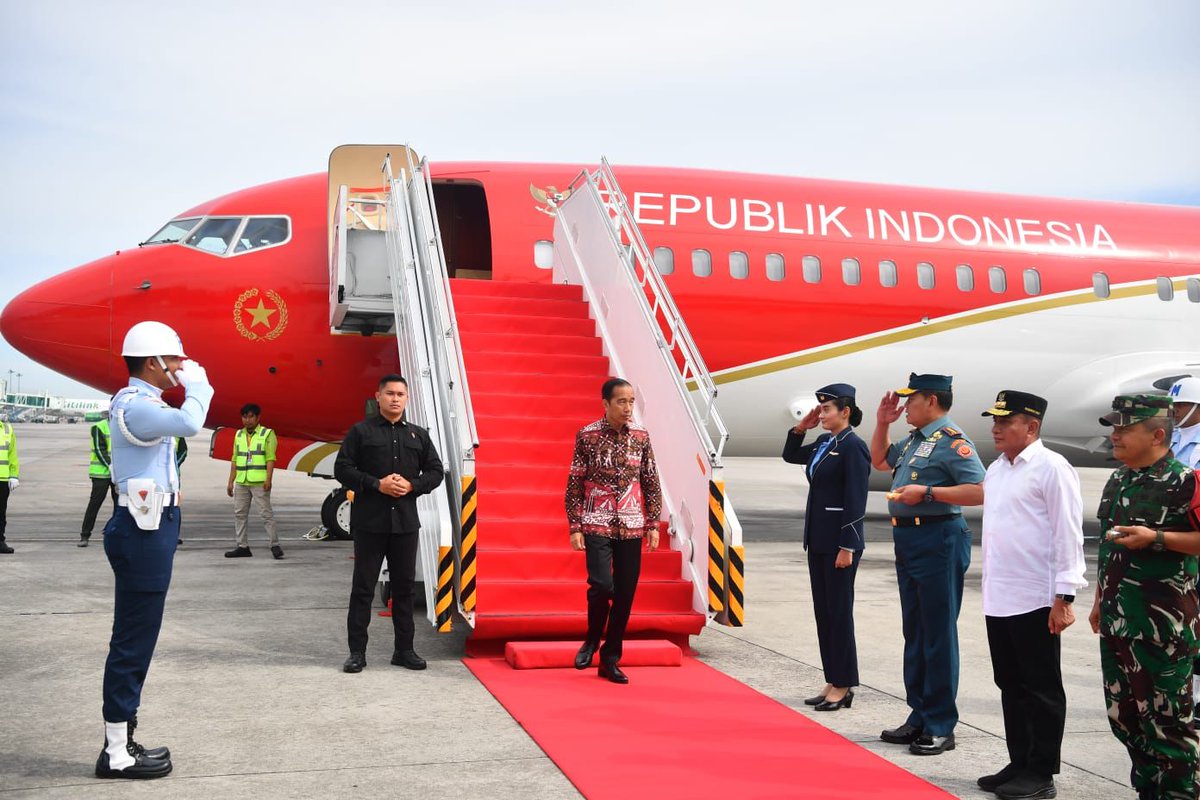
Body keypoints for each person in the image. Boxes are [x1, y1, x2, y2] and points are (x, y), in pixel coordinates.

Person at [96, 321, 212, 780]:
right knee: (132, 641)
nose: (183, 366)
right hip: (143, 531)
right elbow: (191, 422)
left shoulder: (146, 403)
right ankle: (116, 753)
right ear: (153, 363)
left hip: (153, 525)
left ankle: (122, 737)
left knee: (138, 638)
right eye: (177, 359)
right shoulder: (136, 405)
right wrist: (200, 385)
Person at [1088, 394, 1199, 800]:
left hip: (1162, 627)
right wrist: (1101, 600)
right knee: (1126, 719)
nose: (1114, 435)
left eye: (1124, 428)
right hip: (1120, 621)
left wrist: (1157, 538)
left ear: (1156, 434)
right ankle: (1148, 792)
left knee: (1169, 724)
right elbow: (1108, 548)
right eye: (1114, 427)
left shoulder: (1185, 480)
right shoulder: (1120, 478)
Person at [978, 390, 1088, 800]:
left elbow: (1068, 533)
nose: (996, 428)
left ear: (1032, 426)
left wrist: (1065, 596)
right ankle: (1019, 760)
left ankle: (1041, 772)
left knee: (1041, 687)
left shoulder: (1051, 468)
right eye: (995, 421)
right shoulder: (997, 469)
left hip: (1037, 598)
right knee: (1009, 682)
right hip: (1000, 595)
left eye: (1005, 422)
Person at [870, 372, 985, 756]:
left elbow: (979, 490)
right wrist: (882, 423)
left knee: (937, 633)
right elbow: (881, 460)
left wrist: (931, 492)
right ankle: (918, 714)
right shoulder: (917, 440)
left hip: (938, 538)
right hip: (910, 538)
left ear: (931, 401)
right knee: (915, 631)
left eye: (911, 399)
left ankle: (940, 724)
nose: (906, 406)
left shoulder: (953, 442)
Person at [335, 374, 443, 673]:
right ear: (378, 397)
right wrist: (375, 484)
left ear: (407, 399)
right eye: (390, 393)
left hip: (405, 524)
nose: (395, 399)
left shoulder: (418, 435)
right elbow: (342, 468)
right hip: (370, 524)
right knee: (363, 589)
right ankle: (357, 653)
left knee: (404, 589)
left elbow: (435, 471)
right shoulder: (361, 432)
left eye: (400, 394)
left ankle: (404, 650)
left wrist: (413, 486)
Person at [565, 377, 663, 685]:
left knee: (625, 594)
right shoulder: (587, 436)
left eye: (631, 401)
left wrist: (653, 523)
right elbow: (574, 483)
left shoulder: (641, 436)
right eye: (621, 401)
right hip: (597, 520)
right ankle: (592, 639)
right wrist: (575, 526)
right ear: (606, 404)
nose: (628, 407)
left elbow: (650, 480)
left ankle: (610, 657)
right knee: (601, 585)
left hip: (632, 523)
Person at [782, 383, 869, 712]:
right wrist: (799, 429)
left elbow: (855, 499)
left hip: (840, 545)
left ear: (845, 412)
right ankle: (833, 678)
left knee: (839, 613)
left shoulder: (853, 447)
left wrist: (848, 545)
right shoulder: (823, 442)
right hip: (818, 540)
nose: (821, 414)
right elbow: (791, 455)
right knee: (824, 613)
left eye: (827, 409)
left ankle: (845, 683)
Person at [1168, 378, 1200, 721]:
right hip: (1176, 548)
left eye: (1180, 406)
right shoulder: (1173, 439)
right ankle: (1186, 693)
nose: (1174, 412)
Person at [224, 403, 282, 560]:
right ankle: (242, 546)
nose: (247, 420)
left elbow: (271, 458)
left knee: (266, 514)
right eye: (244, 417)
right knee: (240, 514)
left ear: (258, 418)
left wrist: (268, 479)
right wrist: (231, 481)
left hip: (259, 481)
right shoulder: (239, 435)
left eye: (251, 417)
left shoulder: (267, 434)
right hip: (242, 481)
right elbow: (235, 459)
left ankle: (274, 545)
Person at [80, 412, 118, 547]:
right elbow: (99, 449)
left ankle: (114, 533)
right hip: (100, 474)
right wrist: (111, 466)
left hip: (118, 473)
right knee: (95, 504)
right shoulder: (99, 427)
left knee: (119, 505)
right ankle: (85, 535)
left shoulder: (123, 426)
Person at [0, 418, 17, 554]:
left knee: (1, 513)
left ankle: (0, 541)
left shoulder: (7, 429)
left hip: (3, 478)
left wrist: (14, 475)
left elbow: (12, 455)